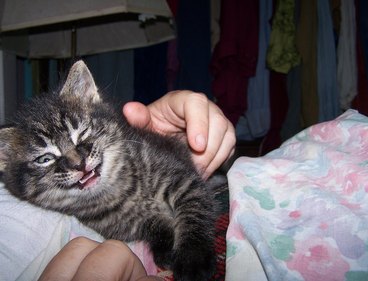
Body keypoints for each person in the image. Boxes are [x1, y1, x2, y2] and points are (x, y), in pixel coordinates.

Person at [38, 90, 236, 281]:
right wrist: (158, 231)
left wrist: (194, 240)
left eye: (83, 135)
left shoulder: (136, 154)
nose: (76, 161)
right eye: (45, 158)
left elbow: (185, 185)